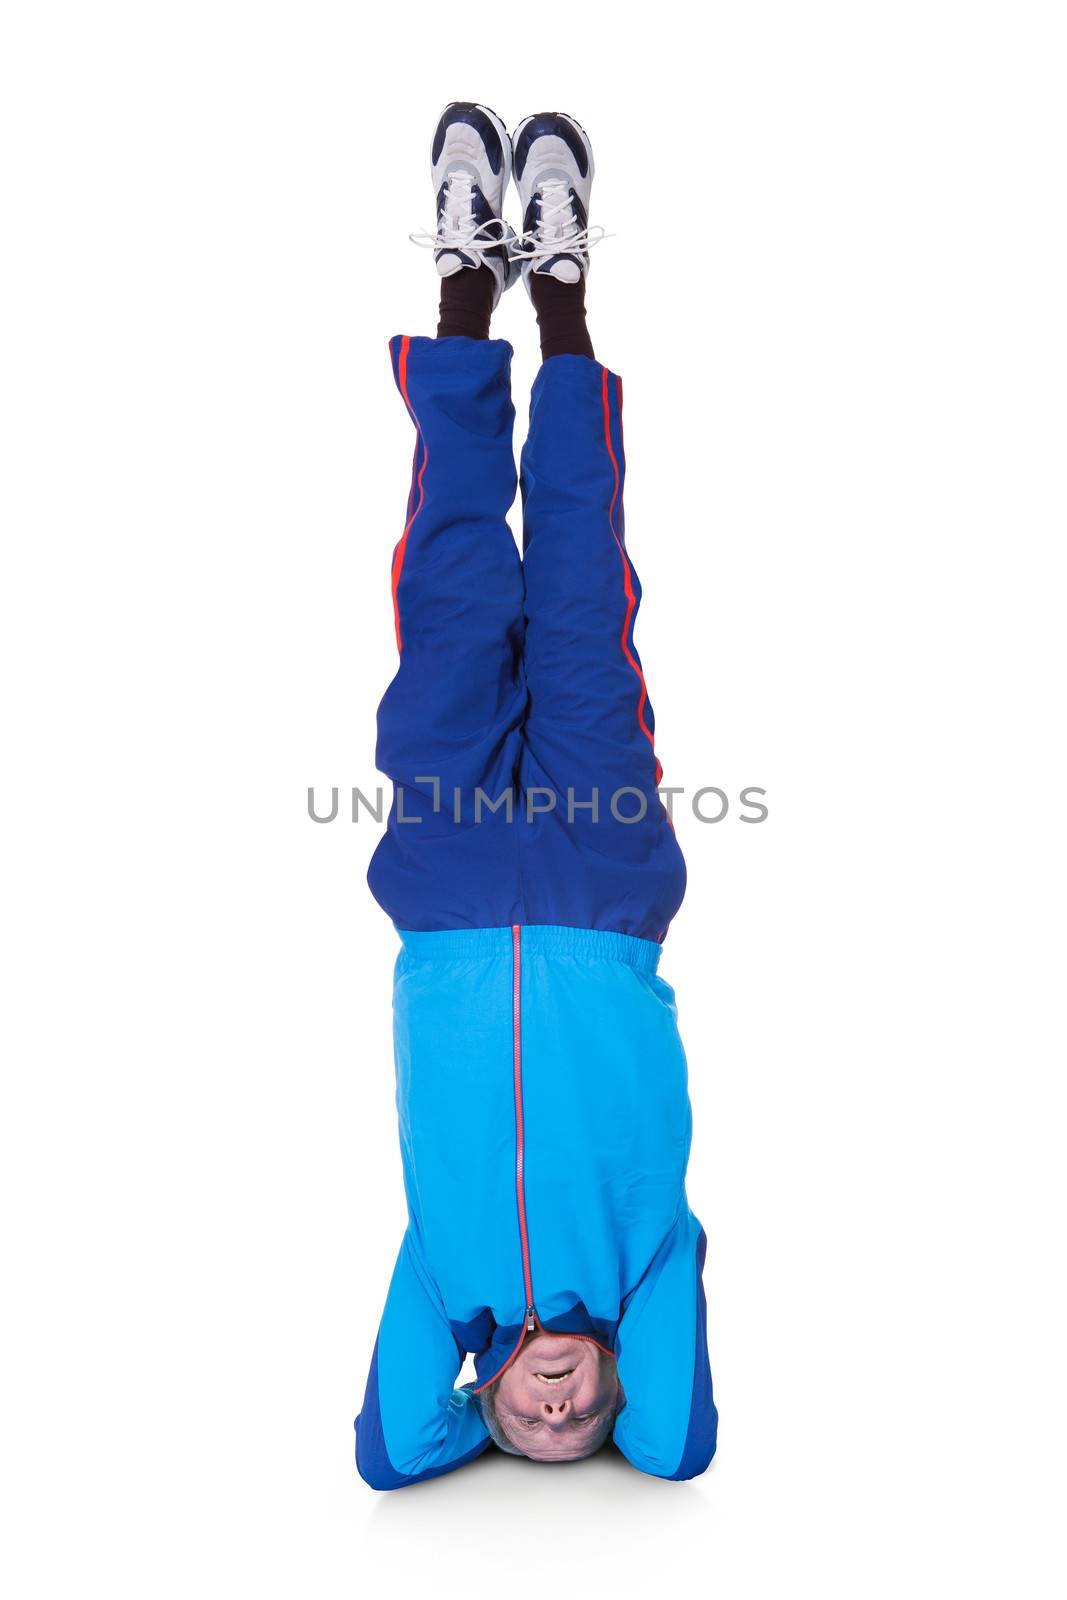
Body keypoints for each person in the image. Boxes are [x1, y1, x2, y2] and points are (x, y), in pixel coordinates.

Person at [354, 103, 717, 1487]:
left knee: (448, 587)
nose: (559, 1411)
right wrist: (634, 1372)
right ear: (628, 1381)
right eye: (587, 1420)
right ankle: (559, 291)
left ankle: (461, 282)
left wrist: (468, 1362)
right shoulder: (651, 1261)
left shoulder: (444, 1281)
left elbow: (391, 1456)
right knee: (580, 586)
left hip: (443, 895)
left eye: (528, 1425)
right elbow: (678, 1448)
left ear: (486, 1400)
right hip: (600, 886)